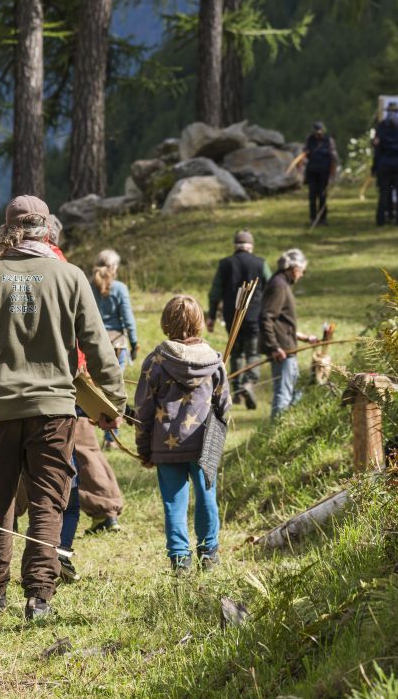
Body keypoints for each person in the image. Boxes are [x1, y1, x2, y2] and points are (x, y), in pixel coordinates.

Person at [0, 195, 124, 623]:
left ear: (7, 230)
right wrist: (112, 403)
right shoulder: (70, 276)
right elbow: (98, 346)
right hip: (55, 411)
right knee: (48, 502)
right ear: (47, 228)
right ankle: (39, 595)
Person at [133, 296, 230, 573]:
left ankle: (179, 559)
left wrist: (144, 449)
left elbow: (143, 410)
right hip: (203, 444)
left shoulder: (155, 361)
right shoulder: (214, 361)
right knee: (206, 496)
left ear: (166, 322)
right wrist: (217, 436)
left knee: (174, 502)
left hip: (166, 445)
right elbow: (224, 406)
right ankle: (209, 553)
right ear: (199, 322)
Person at [207, 230, 267, 409]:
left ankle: (237, 389)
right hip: (254, 316)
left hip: (231, 315)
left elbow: (215, 292)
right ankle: (249, 382)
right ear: (251, 246)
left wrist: (211, 316)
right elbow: (271, 287)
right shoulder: (261, 263)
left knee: (236, 352)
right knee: (253, 352)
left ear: (235, 246)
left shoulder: (225, 264)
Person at [260, 249, 319, 420]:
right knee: (284, 395)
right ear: (294, 268)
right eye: (302, 270)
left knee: (295, 392)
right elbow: (267, 318)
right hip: (282, 351)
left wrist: (303, 337)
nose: (302, 275)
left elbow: (282, 322)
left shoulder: (282, 284)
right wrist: (274, 347)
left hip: (287, 348)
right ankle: (274, 435)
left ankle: (287, 427)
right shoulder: (278, 285)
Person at [290, 120, 340, 227]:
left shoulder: (329, 141)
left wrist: (333, 174)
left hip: (324, 172)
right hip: (312, 172)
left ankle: (322, 218)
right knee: (312, 195)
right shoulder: (310, 140)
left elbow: (334, 158)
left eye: (320, 131)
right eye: (317, 132)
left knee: (323, 196)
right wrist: (299, 165)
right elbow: (304, 154)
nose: (319, 134)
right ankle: (313, 218)